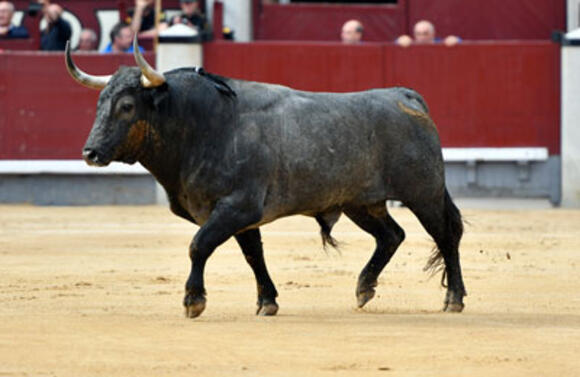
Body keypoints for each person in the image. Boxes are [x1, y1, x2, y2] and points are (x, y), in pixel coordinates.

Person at [396, 20, 460, 47]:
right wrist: (399, 40)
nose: (422, 37)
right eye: (418, 34)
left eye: (425, 33)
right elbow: (395, 44)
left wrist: (455, 40)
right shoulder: (411, 44)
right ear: (414, 35)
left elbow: (460, 41)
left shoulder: (440, 43)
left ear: (433, 34)